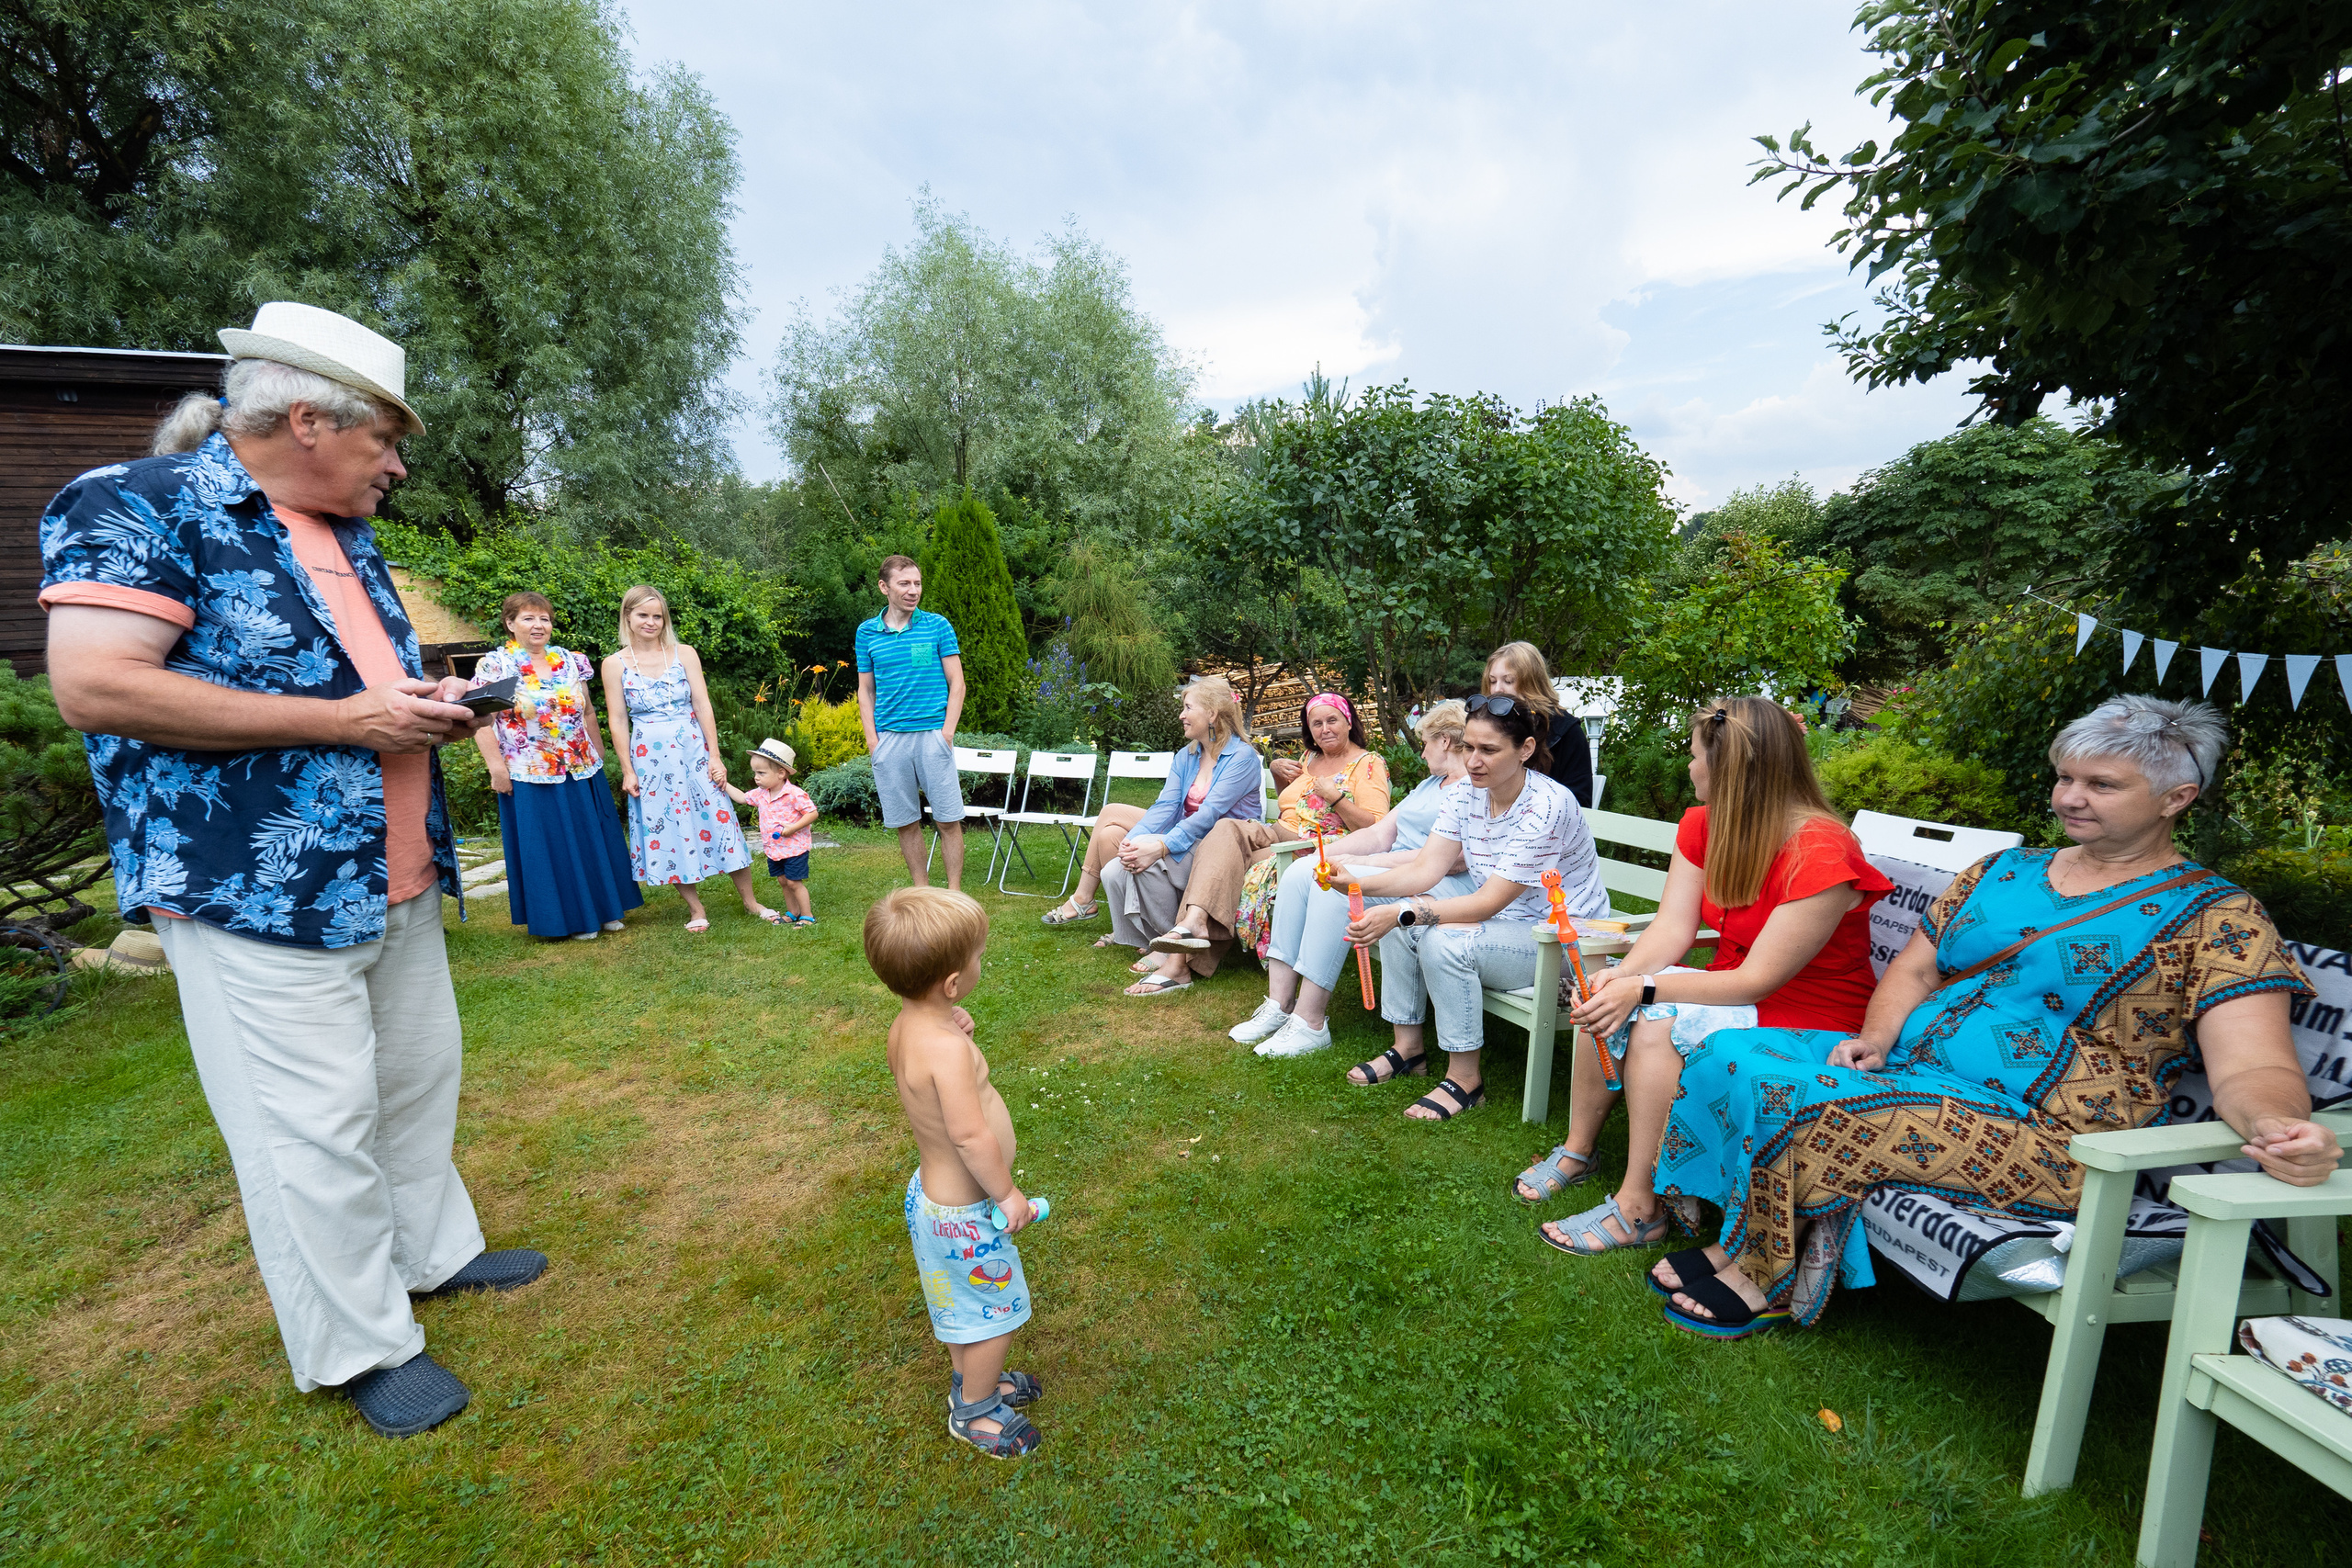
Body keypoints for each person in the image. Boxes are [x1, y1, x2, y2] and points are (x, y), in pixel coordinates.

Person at [40, 301, 545, 1438]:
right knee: (305, 1124)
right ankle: (361, 1343)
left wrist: (424, 711)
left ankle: (431, 1253)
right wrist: (343, 719)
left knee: (415, 1084)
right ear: (308, 420)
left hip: (393, 870)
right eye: (386, 442)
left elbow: (357, 694)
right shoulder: (134, 506)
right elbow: (98, 685)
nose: (398, 466)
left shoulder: (341, 531)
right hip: (255, 888)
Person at [1643, 696, 2342, 1340]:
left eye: (2101, 784)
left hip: (2052, 1133)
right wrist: (1879, 1036)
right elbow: (1916, 967)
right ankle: (1740, 1236)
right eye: (2065, 776)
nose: (2070, 796)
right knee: (1731, 1052)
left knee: (1800, 1097)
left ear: (2176, 798)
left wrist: (2278, 1126)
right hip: (1919, 1074)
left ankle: (1767, 1273)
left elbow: (2255, 1063)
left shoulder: (2219, 918)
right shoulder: (2003, 870)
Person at [1521, 697, 1893, 1258]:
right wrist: (1622, 976)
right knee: (1606, 995)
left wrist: (1643, 989)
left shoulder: (1821, 851)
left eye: (1695, 756)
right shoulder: (1707, 821)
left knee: (1653, 1021)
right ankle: (1580, 1149)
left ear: (1731, 769)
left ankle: (1640, 1207)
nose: (1689, 768)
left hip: (1813, 1016)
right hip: (1739, 986)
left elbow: (1757, 981)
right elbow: (1673, 928)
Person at [1342, 696, 1611, 1119]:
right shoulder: (1465, 793)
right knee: (1408, 913)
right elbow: (1426, 869)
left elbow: (1487, 902)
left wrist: (1401, 912)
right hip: (1507, 928)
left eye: (1488, 750)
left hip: (1564, 941)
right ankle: (1408, 1049)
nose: (1473, 761)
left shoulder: (1547, 805)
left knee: (1442, 939)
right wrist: (1358, 882)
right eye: (1468, 747)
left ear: (1525, 750)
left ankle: (1466, 1081)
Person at [867, 885, 1045, 1459]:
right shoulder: (944, 1048)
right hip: (968, 1215)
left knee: (962, 1307)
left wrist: (954, 1030)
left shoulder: (911, 1027)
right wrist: (1008, 1193)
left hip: (932, 1200)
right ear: (950, 983)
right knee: (997, 1315)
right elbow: (970, 1136)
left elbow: (929, 1083)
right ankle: (974, 1411)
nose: (979, 966)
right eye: (976, 960)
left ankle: (974, 1384)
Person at [1229, 699, 1478, 1057]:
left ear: (1444, 741)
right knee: (1304, 871)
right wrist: (1324, 856)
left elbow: (1452, 860)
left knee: (1339, 886)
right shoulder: (1430, 786)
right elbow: (1380, 834)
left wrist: (1368, 863)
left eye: (1424, 743)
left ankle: (1310, 1021)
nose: (1422, 753)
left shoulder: (1472, 788)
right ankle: (1279, 1002)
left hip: (1435, 884)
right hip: (1396, 868)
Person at [1124, 692, 1392, 993]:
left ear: (1349, 722)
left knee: (1221, 864)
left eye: (1332, 721)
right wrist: (1278, 774)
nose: (1324, 729)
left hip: (1317, 846)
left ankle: (1177, 963)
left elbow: (1377, 831)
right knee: (1225, 828)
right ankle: (1194, 922)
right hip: (1277, 832)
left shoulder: (1368, 764)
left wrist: (1336, 797)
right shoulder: (1310, 758)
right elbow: (1293, 803)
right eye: (1316, 723)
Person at [469, 592, 643, 941]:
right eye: (528, 619)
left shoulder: (570, 660)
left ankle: (606, 909)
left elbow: (589, 711)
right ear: (510, 623)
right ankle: (568, 919)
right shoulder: (496, 665)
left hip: (580, 767)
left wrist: (598, 751)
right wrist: (496, 768)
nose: (538, 625)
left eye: (544, 619)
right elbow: (480, 717)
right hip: (529, 771)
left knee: (592, 839)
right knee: (551, 846)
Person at [601, 585, 773, 931]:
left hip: (693, 751)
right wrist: (627, 769)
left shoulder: (684, 654)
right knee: (666, 830)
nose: (650, 622)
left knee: (720, 817)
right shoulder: (613, 664)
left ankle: (751, 902)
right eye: (642, 615)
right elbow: (618, 720)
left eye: (657, 616)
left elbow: (702, 705)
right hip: (649, 759)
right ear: (628, 617)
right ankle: (696, 908)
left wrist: (715, 756)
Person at [1094, 679, 1265, 997]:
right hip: (1189, 839)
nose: (1181, 716)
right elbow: (1166, 806)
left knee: (1150, 862)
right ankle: (1161, 939)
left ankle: (1175, 951)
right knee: (1115, 869)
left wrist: (1160, 846)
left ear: (1212, 714)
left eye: (1188, 708)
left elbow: (1210, 815)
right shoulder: (1186, 756)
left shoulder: (1241, 758)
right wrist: (1135, 841)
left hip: (1223, 847)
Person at [856, 556, 968, 891]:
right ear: (884, 587)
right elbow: (865, 690)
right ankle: (921, 891)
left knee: (948, 819)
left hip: (933, 735)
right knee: (906, 822)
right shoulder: (867, 632)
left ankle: (953, 894)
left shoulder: (937, 625)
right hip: (890, 740)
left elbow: (957, 683)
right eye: (904, 583)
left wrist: (946, 732)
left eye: (917, 583)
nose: (913, 590)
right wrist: (873, 741)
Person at [1484, 641, 1595, 808]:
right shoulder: (1484, 726)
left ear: (1531, 683)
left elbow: (1579, 801)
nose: (1497, 689)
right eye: (1492, 681)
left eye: (1508, 681)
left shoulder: (1566, 731)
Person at [724, 739, 820, 926]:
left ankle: (807, 915)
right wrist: (724, 784)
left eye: (761, 773)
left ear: (780, 773)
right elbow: (743, 798)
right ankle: (793, 912)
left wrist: (792, 828)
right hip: (775, 849)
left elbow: (812, 813)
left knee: (794, 883)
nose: (756, 777)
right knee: (784, 881)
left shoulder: (794, 793)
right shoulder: (761, 793)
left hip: (794, 848)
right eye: (755, 773)